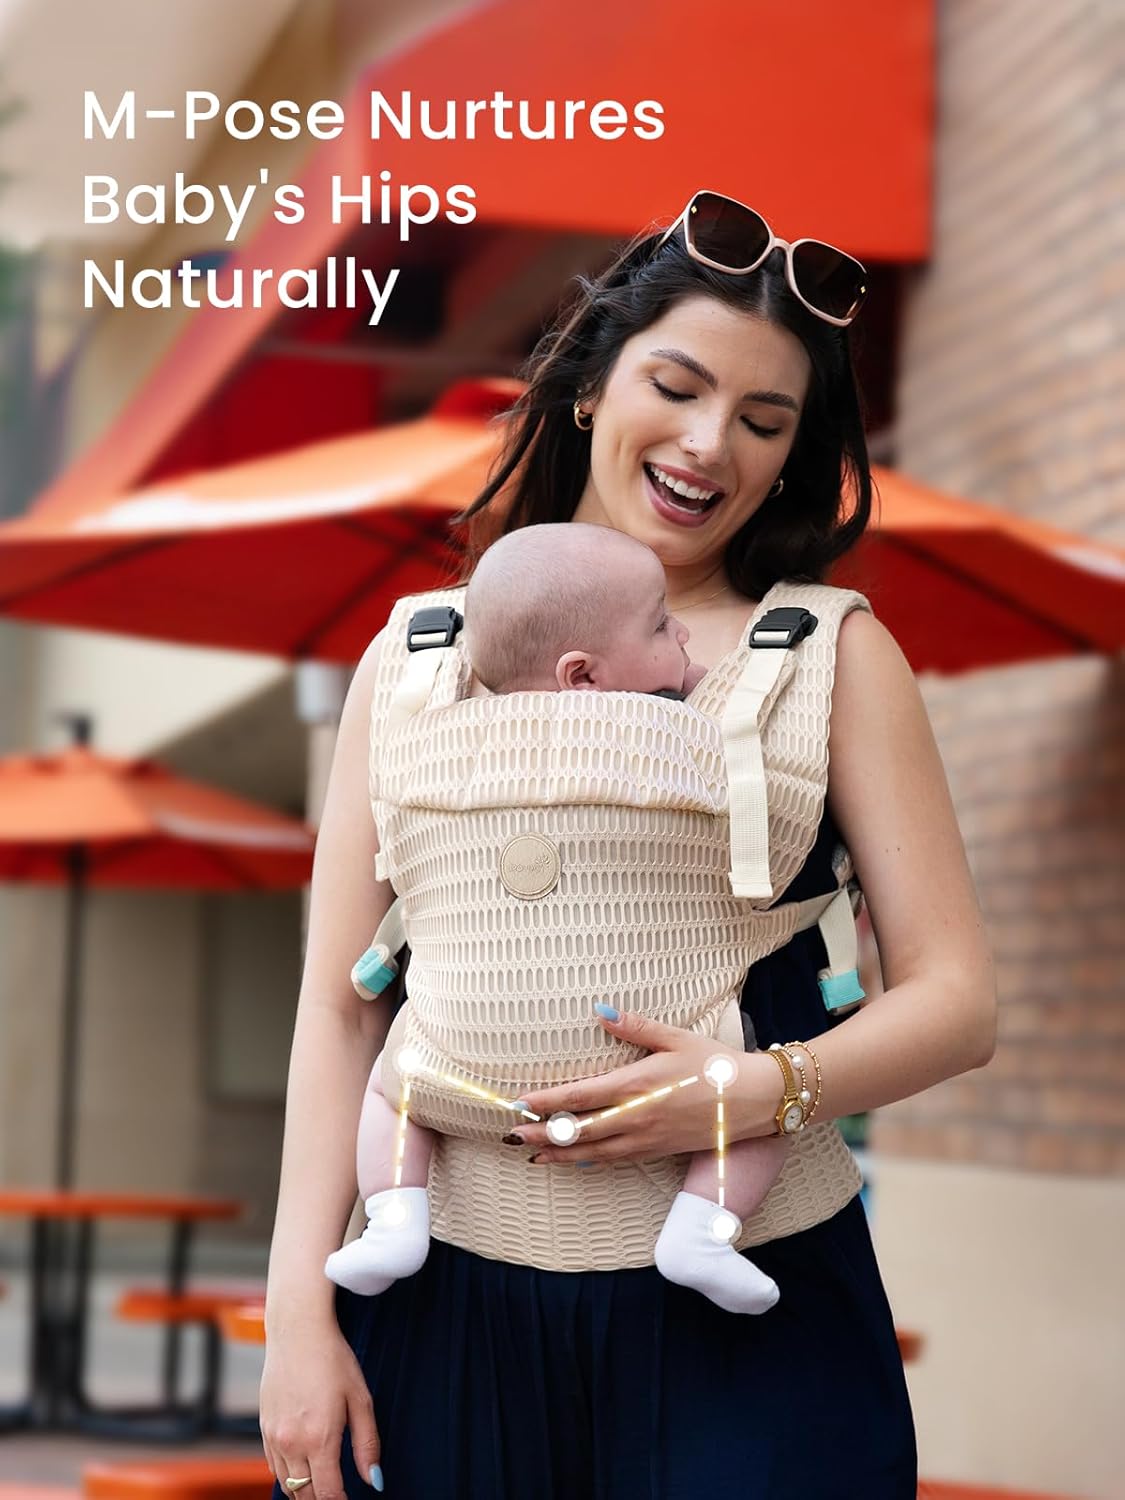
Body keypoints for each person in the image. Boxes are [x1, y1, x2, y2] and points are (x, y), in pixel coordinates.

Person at [260, 190, 996, 1498]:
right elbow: (336, 1008)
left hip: (754, 1307)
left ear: (792, 455)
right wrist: (294, 1320)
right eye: (679, 385)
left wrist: (766, 1092)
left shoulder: (833, 655)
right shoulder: (415, 661)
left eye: (765, 423)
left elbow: (957, 1001)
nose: (711, 444)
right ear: (592, 386)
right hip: (439, 1306)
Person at [324, 522, 790, 1319]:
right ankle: (702, 1230)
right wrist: (686, 685)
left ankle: (395, 1217)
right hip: (650, 1053)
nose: (680, 632)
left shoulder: (427, 738)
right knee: (751, 1098)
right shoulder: (682, 734)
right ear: (581, 678)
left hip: (459, 1060)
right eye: (658, 624)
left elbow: (339, 991)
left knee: (388, 1088)